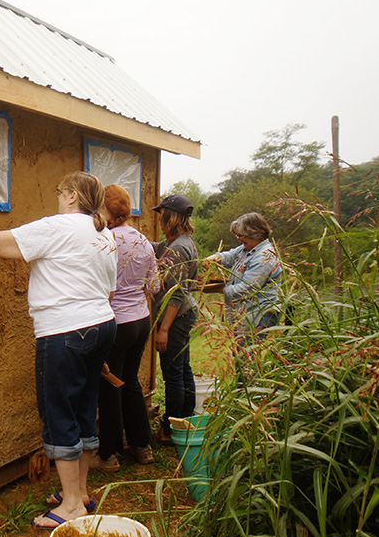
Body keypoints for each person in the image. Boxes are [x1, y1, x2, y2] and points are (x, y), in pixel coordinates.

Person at [0, 171, 117, 527]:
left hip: (65, 331)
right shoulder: (104, 234)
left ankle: (72, 510)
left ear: (71, 196)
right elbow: (109, 287)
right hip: (102, 325)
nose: (58, 197)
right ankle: (77, 494)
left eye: (60, 191)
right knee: (83, 408)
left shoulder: (59, 226)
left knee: (59, 413)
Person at [94, 185, 159, 472]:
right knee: (130, 381)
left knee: (109, 386)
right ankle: (142, 446)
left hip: (117, 323)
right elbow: (155, 286)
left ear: (107, 211)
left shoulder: (106, 240)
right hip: (141, 321)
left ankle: (107, 454)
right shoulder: (144, 241)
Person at [150, 194, 199, 446]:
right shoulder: (179, 242)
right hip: (184, 314)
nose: (159, 218)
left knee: (172, 375)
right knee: (183, 369)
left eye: (162, 213)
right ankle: (185, 419)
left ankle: (170, 431)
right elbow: (158, 249)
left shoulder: (179, 247)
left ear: (172, 216)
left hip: (176, 317)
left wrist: (164, 329)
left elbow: (176, 293)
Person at [205, 212, 282, 337]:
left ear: (255, 233)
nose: (239, 240)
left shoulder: (264, 256)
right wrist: (215, 257)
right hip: (244, 314)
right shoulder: (247, 248)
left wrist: (220, 289)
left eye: (241, 236)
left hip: (258, 315)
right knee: (239, 353)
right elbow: (230, 256)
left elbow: (247, 288)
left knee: (246, 355)